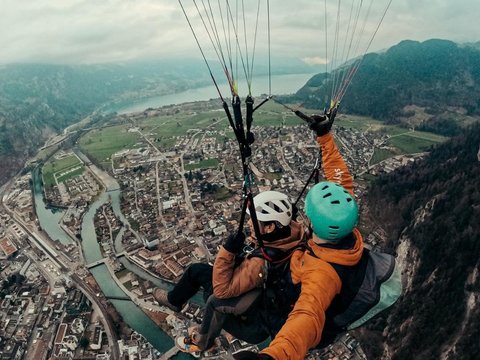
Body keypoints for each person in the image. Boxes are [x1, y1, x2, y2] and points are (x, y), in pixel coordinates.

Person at [234, 113, 364, 360]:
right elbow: (339, 176)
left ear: (313, 223)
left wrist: (273, 357)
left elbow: (307, 317)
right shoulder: (343, 214)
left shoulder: (322, 272)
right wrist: (325, 137)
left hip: (285, 315)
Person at [153, 190, 304, 354]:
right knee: (197, 271)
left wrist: (228, 250)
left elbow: (222, 290)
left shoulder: (261, 262)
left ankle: (203, 342)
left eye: (254, 221)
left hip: (252, 325)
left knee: (213, 301)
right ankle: (174, 300)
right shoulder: (291, 233)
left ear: (270, 227)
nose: (248, 224)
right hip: (260, 302)